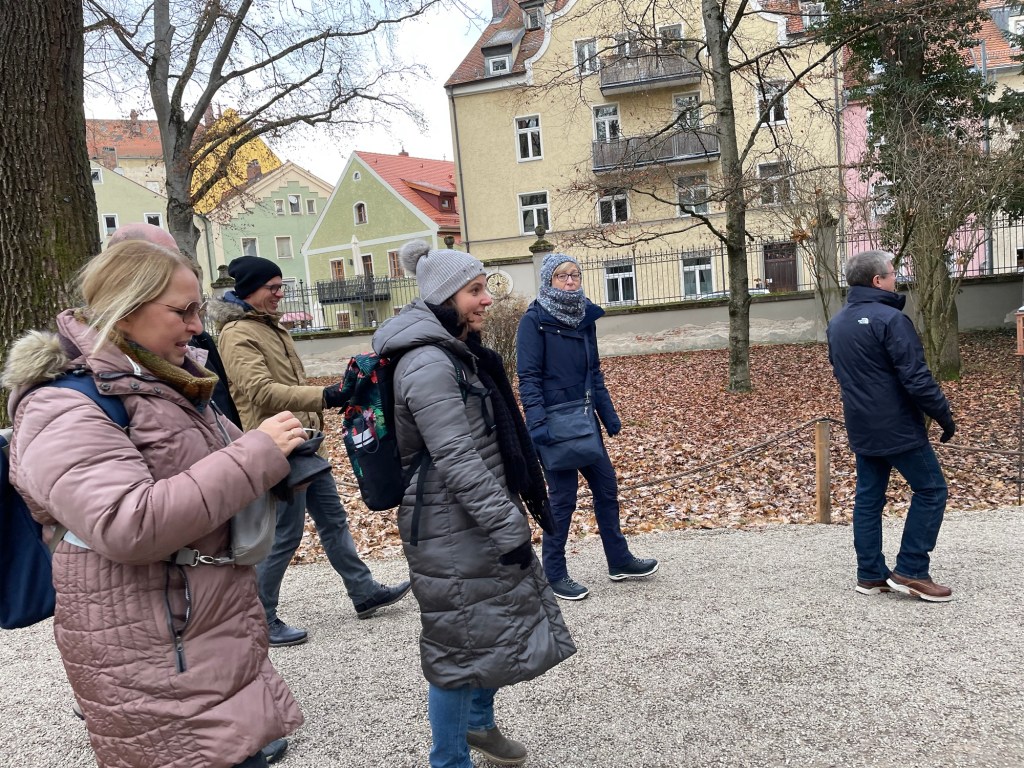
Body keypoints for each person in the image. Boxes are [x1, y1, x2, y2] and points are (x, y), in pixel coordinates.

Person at [2, 241, 305, 767]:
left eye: (198, 309)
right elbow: (127, 523)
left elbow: (217, 464)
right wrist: (258, 454)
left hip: (199, 628)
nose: (196, 326)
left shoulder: (163, 381)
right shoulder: (63, 404)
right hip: (153, 644)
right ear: (125, 308)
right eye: (182, 311)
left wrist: (279, 460)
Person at [372, 240, 575, 768]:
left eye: (484, 288)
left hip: (469, 515)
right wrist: (507, 524)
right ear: (445, 298)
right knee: (458, 648)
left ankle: (479, 725)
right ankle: (449, 759)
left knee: (487, 629)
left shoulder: (458, 352)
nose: (487, 299)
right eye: (475, 291)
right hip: (449, 523)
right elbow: (456, 456)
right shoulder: (427, 363)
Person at [210, 255, 410, 646]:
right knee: (286, 533)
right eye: (272, 288)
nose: (279, 294)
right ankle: (260, 617)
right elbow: (260, 392)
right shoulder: (237, 334)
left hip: (305, 443)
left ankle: (364, 591)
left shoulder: (271, 327)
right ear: (249, 290)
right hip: (276, 446)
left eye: (280, 286)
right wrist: (325, 396)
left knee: (333, 520)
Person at [516, 253, 658, 601]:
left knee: (606, 488)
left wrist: (608, 415)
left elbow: (593, 372)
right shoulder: (534, 321)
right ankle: (554, 573)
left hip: (584, 419)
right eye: (562, 276)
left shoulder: (584, 317)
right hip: (553, 424)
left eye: (575, 275)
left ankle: (619, 560)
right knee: (563, 499)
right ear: (548, 280)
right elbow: (528, 377)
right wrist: (537, 422)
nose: (570, 281)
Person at [826, 249, 957, 602]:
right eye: (892, 274)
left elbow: (841, 372)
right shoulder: (892, 320)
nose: (896, 278)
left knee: (869, 498)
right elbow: (916, 378)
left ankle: (870, 574)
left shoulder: (837, 324)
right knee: (932, 490)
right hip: (897, 426)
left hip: (861, 423)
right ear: (877, 280)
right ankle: (912, 569)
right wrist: (944, 415)